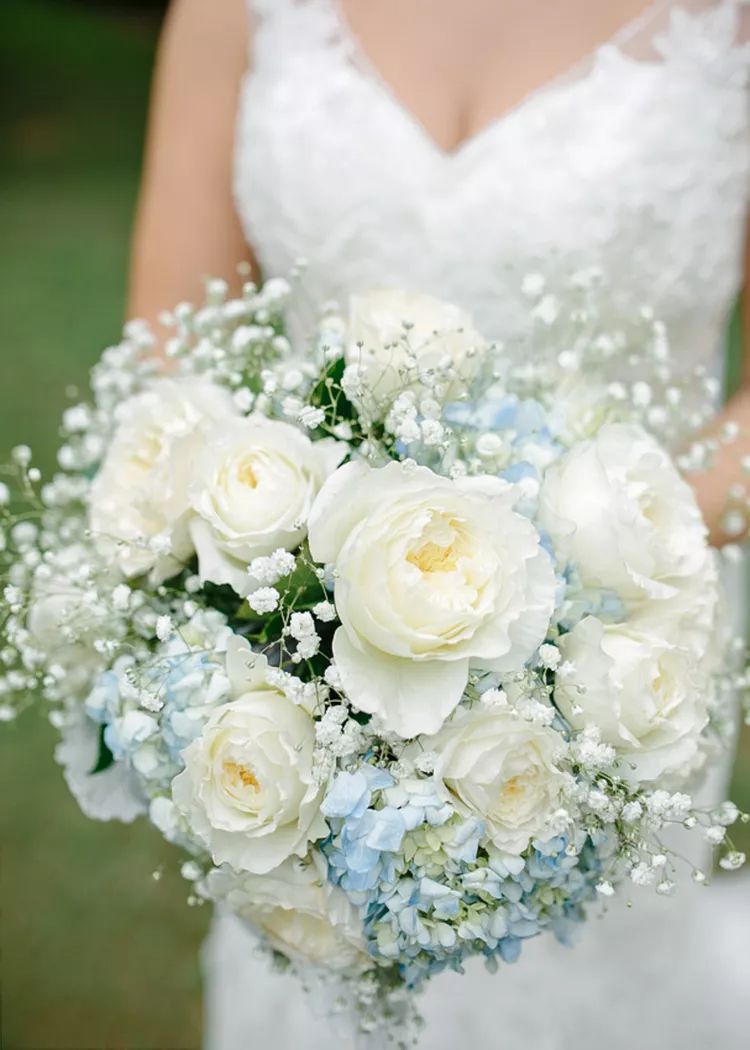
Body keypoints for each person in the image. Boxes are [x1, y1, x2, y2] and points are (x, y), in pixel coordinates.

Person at [128, 2, 750, 1047]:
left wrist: (583, 576)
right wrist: (276, 592)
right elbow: (164, 357)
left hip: (627, 653)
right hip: (300, 661)